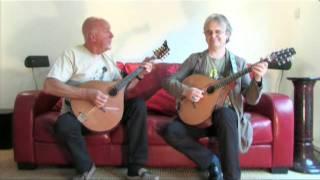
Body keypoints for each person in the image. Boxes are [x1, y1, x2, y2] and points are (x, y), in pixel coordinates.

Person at [43, 17, 159, 180]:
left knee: (138, 105)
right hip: (80, 115)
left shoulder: (108, 57)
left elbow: (120, 89)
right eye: (107, 31)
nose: (112, 35)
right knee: (64, 124)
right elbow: (49, 85)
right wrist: (86, 94)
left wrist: (139, 75)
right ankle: (86, 169)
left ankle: (136, 168)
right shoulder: (72, 55)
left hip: (108, 114)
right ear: (92, 36)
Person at [162, 13, 268, 180]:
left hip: (225, 122)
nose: (213, 36)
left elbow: (252, 98)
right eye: (209, 32)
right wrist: (186, 91)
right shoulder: (195, 60)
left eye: (218, 31)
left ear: (227, 35)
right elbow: (168, 81)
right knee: (170, 130)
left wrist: (258, 79)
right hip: (198, 119)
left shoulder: (238, 63)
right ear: (205, 36)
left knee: (225, 114)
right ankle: (211, 161)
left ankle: (232, 177)